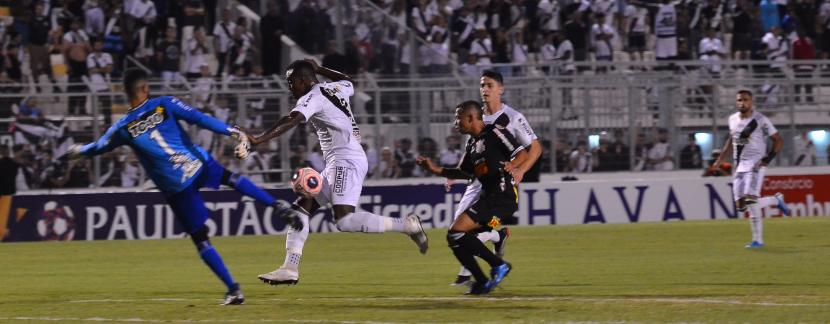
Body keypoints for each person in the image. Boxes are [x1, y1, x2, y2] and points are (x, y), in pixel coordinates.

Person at [64, 68, 302, 305]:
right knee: (231, 179)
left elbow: (99, 147)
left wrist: (78, 152)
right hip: (197, 163)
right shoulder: (164, 104)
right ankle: (276, 205)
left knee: (201, 240)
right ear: (145, 88)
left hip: (176, 185)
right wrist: (232, 131)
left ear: (127, 93)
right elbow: (199, 118)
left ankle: (234, 290)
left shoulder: (123, 128)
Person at [249, 59, 428, 286]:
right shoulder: (333, 87)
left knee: (345, 221)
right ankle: (290, 267)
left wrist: (259, 138)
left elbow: (292, 119)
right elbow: (348, 80)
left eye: (291, 82)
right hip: (340, 160)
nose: (289, 87)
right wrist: (320, 69)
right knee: (301, 208)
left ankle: (407, 225)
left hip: (346, 160)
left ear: (304, 80)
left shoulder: (312, 97)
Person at [416, 100, 527, 295]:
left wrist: (514, 165)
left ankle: (498, 265)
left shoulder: (495, 132)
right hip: (490, 198)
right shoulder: (473, 143)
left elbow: (522, 153)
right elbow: (464, 173)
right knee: (456, 237)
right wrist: (434, 169)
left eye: (458, 118)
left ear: (470, 117)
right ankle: (483, 280)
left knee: (456, 231)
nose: (455, 123)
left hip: (502, 196)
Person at [451, 70, 542, 286]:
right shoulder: (475, 116)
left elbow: (535, 148)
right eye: (482, 85)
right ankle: (496, 238)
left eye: (490, 85)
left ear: (501, 89)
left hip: (498, 184)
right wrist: (455, 173)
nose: (485, 90)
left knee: (465, 229)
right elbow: (472, 147)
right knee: (462, 226)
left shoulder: (513, 118)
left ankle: (468, 272)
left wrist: (521, 170)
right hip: (476, 182)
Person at [712, 90, 791, 249]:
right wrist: (720, 160)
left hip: (755, 164)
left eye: (745, 100)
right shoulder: (732, 119)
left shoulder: (760, 120)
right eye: (739, 100)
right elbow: (731, 139)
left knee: (751, 199)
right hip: (739, 166)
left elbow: (778, 140)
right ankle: (776, 199)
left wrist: (767, 159)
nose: (742, 103)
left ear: (751, 101)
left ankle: (758, 240)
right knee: (741, 206)